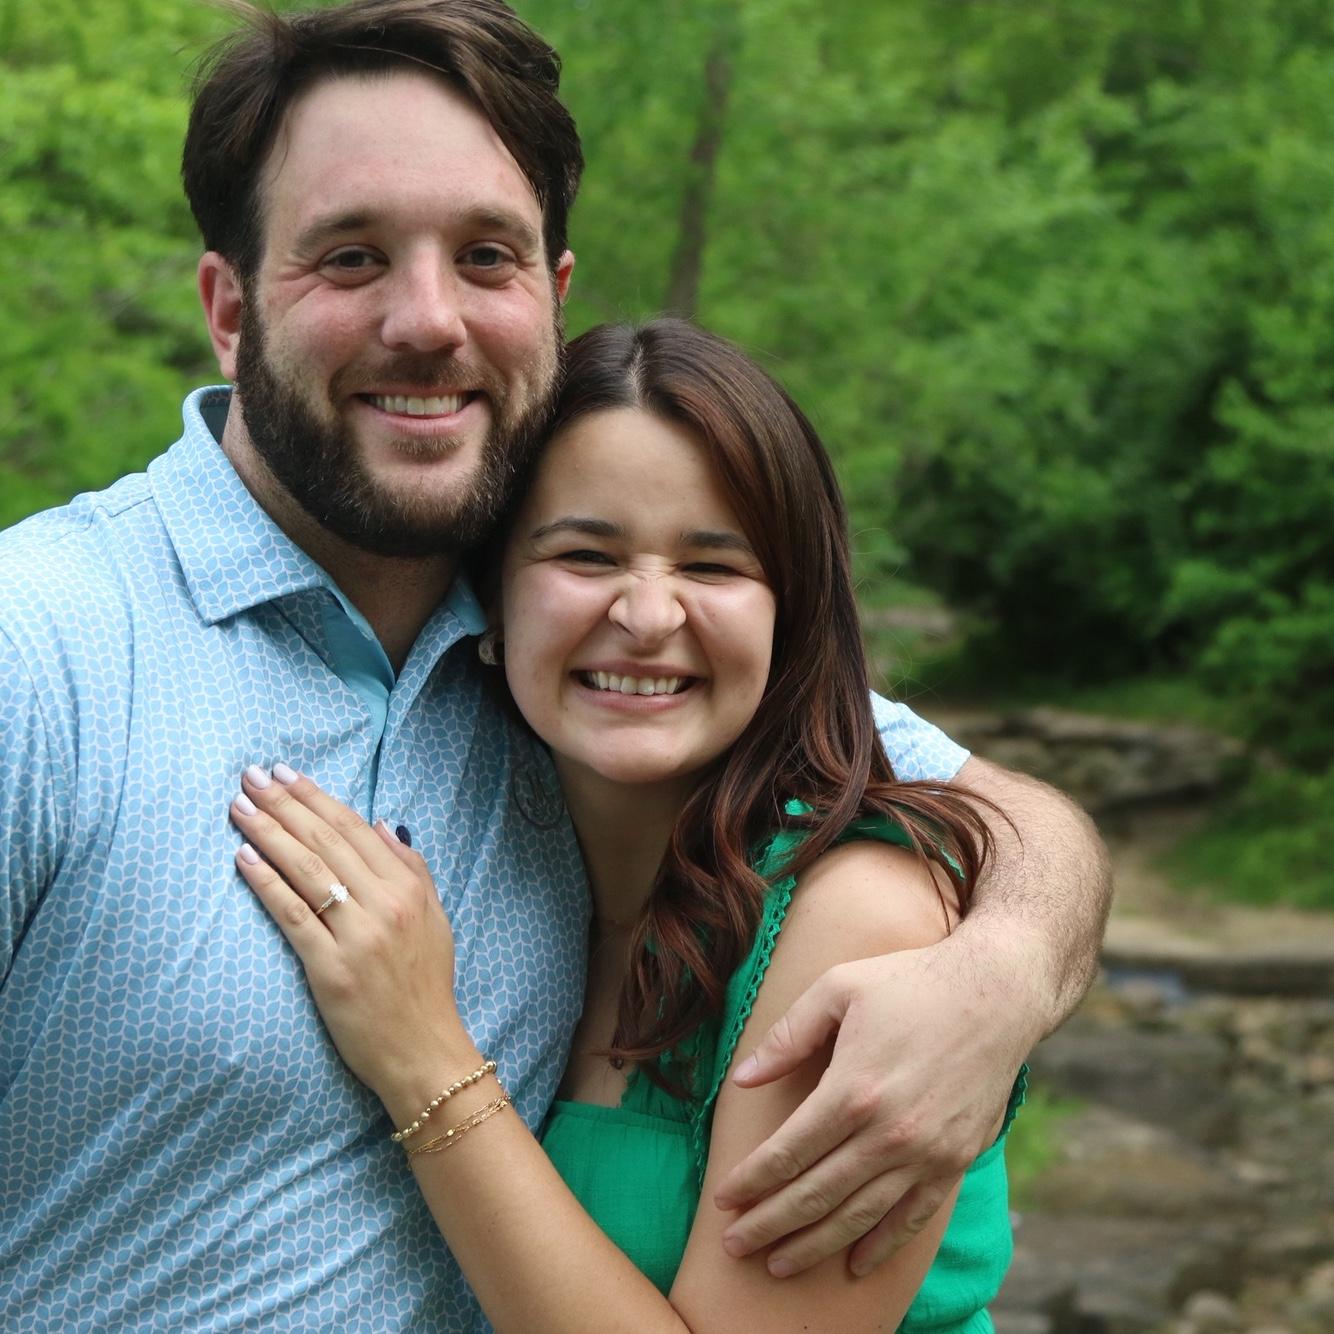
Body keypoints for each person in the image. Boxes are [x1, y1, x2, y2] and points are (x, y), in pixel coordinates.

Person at [0, 1, 1109, 1329]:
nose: (428, 319)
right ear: (228, 308)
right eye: (351, 256)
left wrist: (1005, 976)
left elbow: (997, 811)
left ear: (551, 294)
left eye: (484, 254)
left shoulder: (556, 635)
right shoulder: (42, 650)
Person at [232, 317, 1029, 1331]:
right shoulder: (507, 857)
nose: (648, 615)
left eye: (711, 567)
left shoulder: (855, 918)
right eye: (584, 552)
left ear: (790, 614)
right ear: (490, 599)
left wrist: (420, 1051)